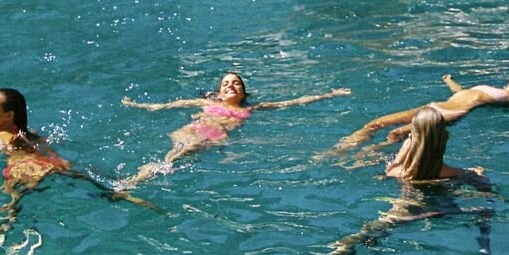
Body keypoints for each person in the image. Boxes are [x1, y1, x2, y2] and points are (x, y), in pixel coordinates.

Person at [0, 88, 148, 255]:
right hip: (51, 163)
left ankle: (3, 227)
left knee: (12, 200)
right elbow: (41, 146)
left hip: (27, 169)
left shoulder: (0, 138)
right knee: (98, 187)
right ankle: (129, 192)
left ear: (9, 115)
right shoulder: (25, 132)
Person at [303, 106, 484, 255]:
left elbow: (391, 170)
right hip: (444, 210)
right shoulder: (456, 173)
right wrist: (478, 173)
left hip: (405, 211)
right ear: (445, 138)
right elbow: (478, 184)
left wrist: (406, 147)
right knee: (482, 212)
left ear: (413, 137)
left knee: (364, 235)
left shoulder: (402, 173)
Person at [118, 70, 350, 189]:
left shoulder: (252, 108)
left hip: (214, 136)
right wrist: (139, 105)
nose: (230, 85)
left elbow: (293, 102)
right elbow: (171, 105)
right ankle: (135, 180)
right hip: (192, 130)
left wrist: (329, 95)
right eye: (225, 83)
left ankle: (135, 181)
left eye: (236, 83)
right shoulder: (206, 103)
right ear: (219, 92)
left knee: (175, 158)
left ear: (244, 92)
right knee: (171, 158)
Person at [324, 70, 509, 159]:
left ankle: (365, 157)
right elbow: (463, 91)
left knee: (398, 134)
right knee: (375, 123)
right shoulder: (495, 88)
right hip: (437, 103)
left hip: (452, 113)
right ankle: (341, 150)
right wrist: (450, 82)